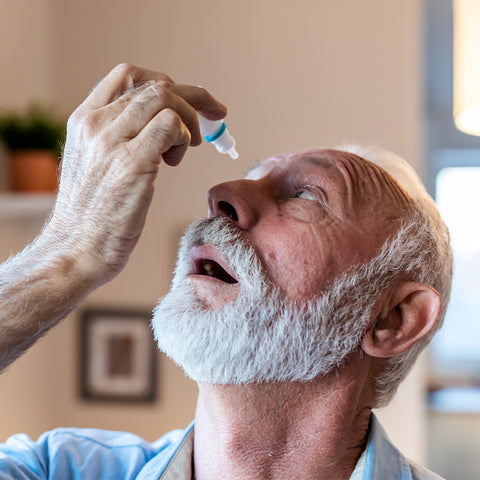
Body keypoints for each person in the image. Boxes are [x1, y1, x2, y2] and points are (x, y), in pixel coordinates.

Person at [0, 64, 452, 480]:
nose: (222, 194)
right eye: (250, 176)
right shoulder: (54, 468)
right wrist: (67, 255)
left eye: (306, 195)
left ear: (394, 318)